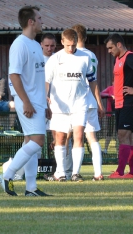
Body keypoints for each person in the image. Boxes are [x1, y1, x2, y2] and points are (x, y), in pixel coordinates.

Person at [0, 6, 52, 197]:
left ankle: (31, 188)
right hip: (27, 101)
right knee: (38, 141)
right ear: (31, 21)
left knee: (30, 141)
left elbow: (37, 78)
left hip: (37, 101)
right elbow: (14, 75)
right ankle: (7, 175)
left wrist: (44, 103)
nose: (41, 21)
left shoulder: (36, 45)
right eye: (39, 18)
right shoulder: (19, 44)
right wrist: (26, 102)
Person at [45, 28, 103, 183]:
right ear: (62, 42)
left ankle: (75, 173)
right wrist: (46, 98)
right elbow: (47, 81)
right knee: (61, 137)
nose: (71, 48)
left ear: (77, 42)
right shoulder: (55, 59)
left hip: (80, 103)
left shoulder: (85, 57)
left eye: (74, 45)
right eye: (68, 45)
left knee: (78, 135)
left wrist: (98, 102)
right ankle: (61, 173)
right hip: (60, 105)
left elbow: (92, 81)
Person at [70, 24, 105, 181]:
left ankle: (74, 172)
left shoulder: (72, 55)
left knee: (75, 137)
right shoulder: (92, 55)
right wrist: (99, 104)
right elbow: (94, 81)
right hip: (91, 100)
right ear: (85, 37)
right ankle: (98, 173)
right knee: (92, 137)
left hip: (76, 101)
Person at [104, 33, 133, 178]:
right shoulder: (118, 59)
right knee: (127, 137)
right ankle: (132, 171)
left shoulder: (130, 57)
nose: (109, 51)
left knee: (123, 135)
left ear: (119, 45)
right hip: (120, 103)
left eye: (110, 48)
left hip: (129, 103)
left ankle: (120, 171)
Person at [101, 82, 115, 154]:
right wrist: (110, 95)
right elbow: (101, 94)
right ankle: (105, 149)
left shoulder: (122, 88)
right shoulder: (110, 88)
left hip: (120, 114)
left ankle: (119, 152)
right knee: (109, 132)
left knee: (120, 133)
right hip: (110, 114)